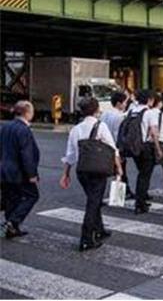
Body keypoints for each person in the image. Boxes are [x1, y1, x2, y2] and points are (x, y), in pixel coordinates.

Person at [59, 98, 122, 251]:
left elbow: (71, 155)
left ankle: (99, 229)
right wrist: (119, 168)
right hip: (98, 170)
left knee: (94, 200)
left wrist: (65, 174)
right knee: (93, 203)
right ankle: (86, 238)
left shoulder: (76, 129)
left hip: (82, 171)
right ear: (96, 110)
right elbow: (112, 148)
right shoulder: (101, 126)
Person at [0, 101, 40, 239]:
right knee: (32, 195)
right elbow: (26, 154)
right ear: (27, 113)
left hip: (4, 169)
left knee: (12, 197)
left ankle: (12, 228)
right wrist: (32, 174)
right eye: (32, 111)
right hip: (19, 171)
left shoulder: (5, 126)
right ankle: (13, 221)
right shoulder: (23, 130)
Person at [128, 89, 160, 214]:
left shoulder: (131, 111)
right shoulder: (149, 113)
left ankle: (141, 200)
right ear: (149, 100)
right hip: (146, 147)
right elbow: (153, 132)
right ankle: (140, 204)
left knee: (142, 173)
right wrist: (158, 149)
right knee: (144, 176)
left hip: (135, 146)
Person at [100, 91, 134, 199]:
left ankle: (125, 191)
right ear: (119, 103)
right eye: (125, 102)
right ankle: (120, 194)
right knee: (120, 170)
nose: (125, 105)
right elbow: (118, 135)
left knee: (106, 172)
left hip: (104, 146)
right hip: (115, 147)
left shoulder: (105, 114)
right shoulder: (120, 117)